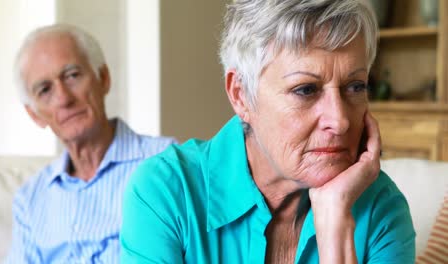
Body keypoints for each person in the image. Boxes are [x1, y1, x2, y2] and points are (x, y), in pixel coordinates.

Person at [120, 0, 415, 263]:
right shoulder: (166, 192)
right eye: (306, 90)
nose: (339, 121)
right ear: (240, 95)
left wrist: (336, 225)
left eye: (355, 87)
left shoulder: (382, 208)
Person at [5, 24, 176, 263]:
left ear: (103, 78)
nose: (64, 98)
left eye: (72, 75)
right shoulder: (30, 198)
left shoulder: (167, 162)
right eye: (45, 90)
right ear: (34, 115)